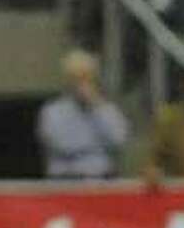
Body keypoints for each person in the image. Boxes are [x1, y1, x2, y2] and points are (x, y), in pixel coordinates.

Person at [37, 50, 129, 181]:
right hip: (65, 179)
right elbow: (62, 144)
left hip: (101, 178)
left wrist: (95, 109)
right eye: (76, 78)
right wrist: (95, 146)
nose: (81, 84)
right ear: (67, 80)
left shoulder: (107, 110)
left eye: (86, 77)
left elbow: (118, 140)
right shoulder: (52, 112)